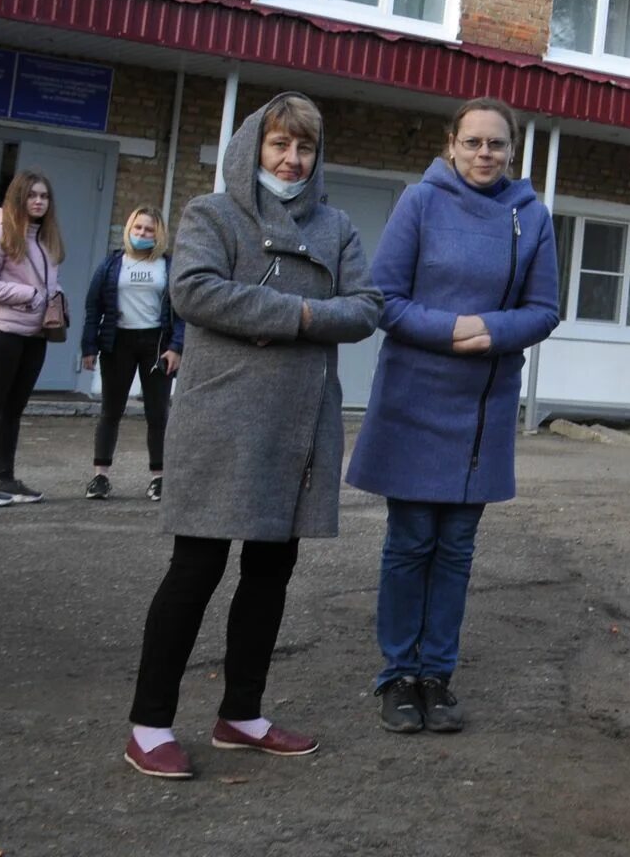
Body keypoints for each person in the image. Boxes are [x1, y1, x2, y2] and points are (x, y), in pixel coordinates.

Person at [122, 93, 381, 780]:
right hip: (222, 418)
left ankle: (242, 713)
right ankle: (148, 724)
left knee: (270, 572)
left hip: (298, 423)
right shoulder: (213, 214)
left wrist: (291, 318)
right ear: (252, 148)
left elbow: (366, 308)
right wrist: (301, 312)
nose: (292, 161)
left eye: (305, 149)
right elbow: (196, 292)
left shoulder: (338, 226)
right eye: (279, 146)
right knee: (195, 569)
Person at [344, 97, 560, 735]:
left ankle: (437, 675)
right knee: (410, 542)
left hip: (482, 408)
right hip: (415, 397)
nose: (484, 154)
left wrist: (490, 331)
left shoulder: (533, 216)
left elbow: (545, 308)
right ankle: (396, 676)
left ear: (511, 151)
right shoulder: (419, 202)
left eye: (496, 144)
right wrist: (452, 330)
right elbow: (383, 299)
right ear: (451, 145)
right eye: (473, 143)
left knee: (457, 547)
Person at [81, 206, 185, 502]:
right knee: (110, 411)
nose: (142, 234)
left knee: (157, 414)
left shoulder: (168, 266)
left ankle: (158, 478)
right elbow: (94, 308)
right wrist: (89, 347)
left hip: (156, 344)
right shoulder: (112, 264)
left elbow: (181, 313)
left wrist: (176, 347)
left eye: (149, 230)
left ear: (159, 234)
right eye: (138, 228)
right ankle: (100, 476)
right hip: (117, 342)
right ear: (129, 230)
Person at [0, 169, 62, 507]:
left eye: (44, 196)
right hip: (2, 332)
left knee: (13, 409)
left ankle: (4, 478)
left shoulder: (45, 237)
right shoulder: (1, 229)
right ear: (19, 197)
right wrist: (28, 294)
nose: (38, 201)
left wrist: (58, 301)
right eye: (32, 195)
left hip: (35, 336)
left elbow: (49, 284)